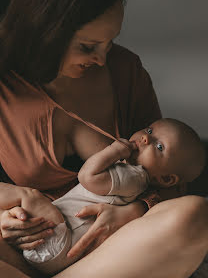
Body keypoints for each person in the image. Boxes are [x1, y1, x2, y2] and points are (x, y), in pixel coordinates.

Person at [0, 0, 208, 277]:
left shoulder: (126, 72)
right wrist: (9, 212)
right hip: (27, 247)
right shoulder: (6, 83)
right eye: (87, 47)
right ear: (43, 30)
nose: (101, 59)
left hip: (112, 250)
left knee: (197, 215)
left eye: (109, 43)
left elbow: (172, 174)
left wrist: (133, 211)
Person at [1, 118, 206, 275]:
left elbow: (87, 176)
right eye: (149, 130)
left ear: (167, 179)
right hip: (52, 243)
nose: (146, 138)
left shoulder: (132, 176)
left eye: (159, 147)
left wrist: (114, 151)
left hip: (56, 238)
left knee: (28, 196)